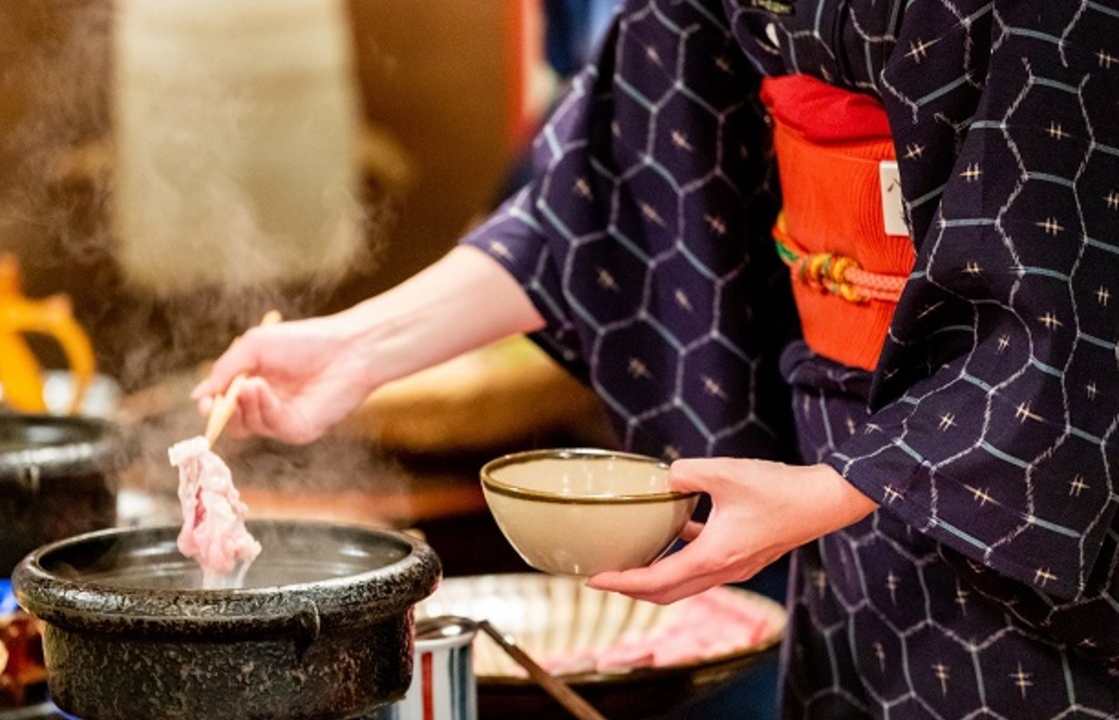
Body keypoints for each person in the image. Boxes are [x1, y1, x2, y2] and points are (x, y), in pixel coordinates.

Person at [193, 1, 1119, 717]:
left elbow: (1079, 264)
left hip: (1029, 480)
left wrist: (835, 489)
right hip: (839, 445)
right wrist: (356, 349)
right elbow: (621, 182)